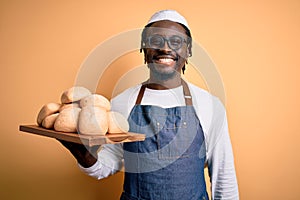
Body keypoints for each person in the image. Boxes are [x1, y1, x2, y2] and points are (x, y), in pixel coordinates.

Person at [60, 10, 239, 200]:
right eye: (156, 41)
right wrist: (82, 154)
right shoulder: (123, 102)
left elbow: (224, 178)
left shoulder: (209, 105)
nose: (165, 48)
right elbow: (107, 164)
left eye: (176, 42)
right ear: (144, 48)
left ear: (188, 50)